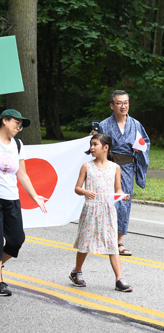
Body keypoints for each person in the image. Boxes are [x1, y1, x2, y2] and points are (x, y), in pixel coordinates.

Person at [0, 109, 47, 296]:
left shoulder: (18, 144)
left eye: (20, 126)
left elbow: (22, 173)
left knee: (16, 239)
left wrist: (35, 195)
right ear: (4, 120)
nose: (18, 127)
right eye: (16, 123)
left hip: (11, 198)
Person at [71, 133, 133, 292]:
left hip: (108, 210)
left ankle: (119, 279)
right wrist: (85, 192)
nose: (91, 148)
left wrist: (122, 195)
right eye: (91, 144)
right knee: (85, 242)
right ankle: (76, 271)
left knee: (112, 244)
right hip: (91, 209)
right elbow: (77, 188)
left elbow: (117, 189)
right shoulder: (87, 166)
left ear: (106, 147)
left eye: (95, 144)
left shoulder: (115, 167)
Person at [96, 90, 150, 256]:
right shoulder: (104, 125)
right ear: (112, 105)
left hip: (126, 168)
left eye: (126, 103)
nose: (123, 106)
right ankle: (104, 238)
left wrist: (139, 149)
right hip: (108, 167)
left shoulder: (135, 124)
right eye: (119, 103)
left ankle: (118, 242)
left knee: (124, 204)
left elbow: (145, 142)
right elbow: (95, 147)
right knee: (107, 202)